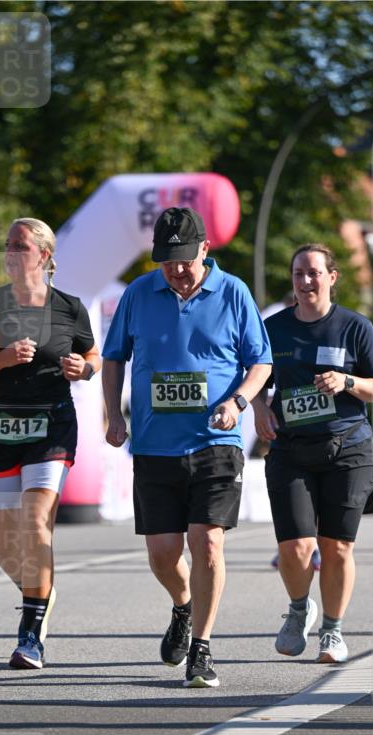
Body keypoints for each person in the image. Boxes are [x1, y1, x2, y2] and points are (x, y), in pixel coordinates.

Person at [102, 206, 272, 688]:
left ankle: (201, 647)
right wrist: (115, 416)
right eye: (166, 260)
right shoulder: (139, 293)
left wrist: (238, 403)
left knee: (208, 543)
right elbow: (114, 358)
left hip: (215, 440)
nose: (176, 269)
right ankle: (183, 605)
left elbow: (260, 362)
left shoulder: (234, 293)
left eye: (184, 258)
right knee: (162, 552)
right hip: (155, 445)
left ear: (205, 249)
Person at [0, 218, 99, 670]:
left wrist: (85, 367)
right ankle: (38, 591)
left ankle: (30, 636)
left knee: (36, 522)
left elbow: (93, 353)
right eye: (6, 245)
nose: (9, 252)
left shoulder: (69, 307)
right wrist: (1, 359)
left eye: (19, 245)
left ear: (44, 255)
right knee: (6, 544)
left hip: (50, 427)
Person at [253, 243, 373, 663]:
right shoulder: (273, 329)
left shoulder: (354, 327)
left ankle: (332, 630)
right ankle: (299, 609)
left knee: (336, 548)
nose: (306, 281)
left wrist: (348, 382)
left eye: (314, 273)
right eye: (299, 273)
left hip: (347, 447)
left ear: (332, 278)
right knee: (294, 549)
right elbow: (256, 379)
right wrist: (260, 409)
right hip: (291, 450)